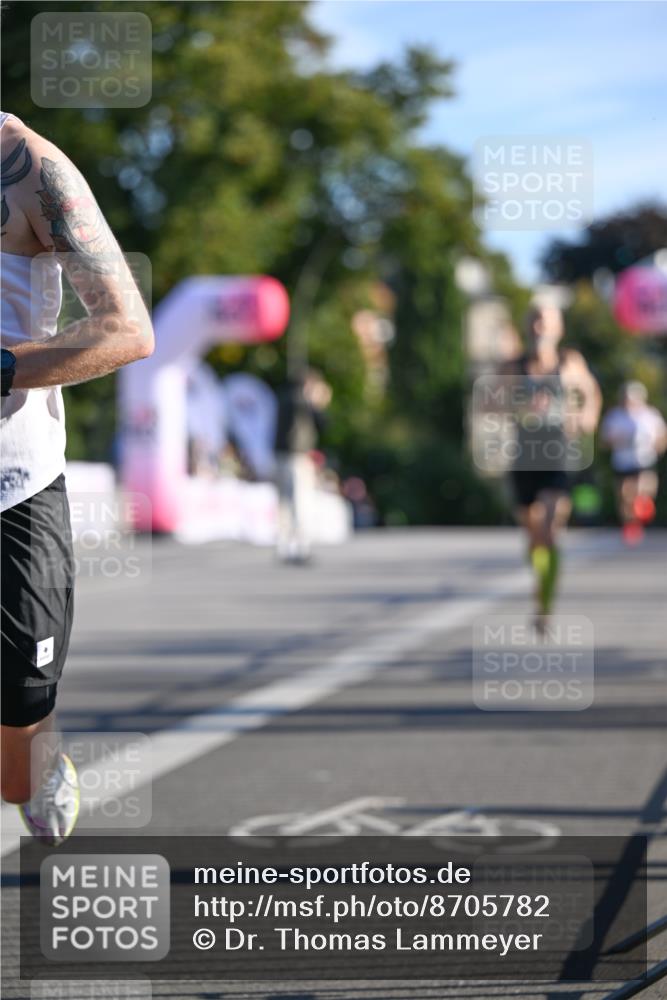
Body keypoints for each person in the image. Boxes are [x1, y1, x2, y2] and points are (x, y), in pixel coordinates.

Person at [1, 111, 154, 844]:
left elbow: (127, 328)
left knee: (16, 767)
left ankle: (40, 755)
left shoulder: (29, 166)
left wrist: (4, 367)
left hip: (13, 483)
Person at [500, 304, 601, 631]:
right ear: (529, 325)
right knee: (534, 538)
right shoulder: (513, 366)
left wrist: (587, 417)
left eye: (548, 319)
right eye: (536, 319)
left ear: (558, 327)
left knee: (549, 527)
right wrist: (522, 408)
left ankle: (543, 605)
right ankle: (540, 586)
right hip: (524, 457)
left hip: (559, 454)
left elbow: (591, 393)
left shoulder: (570, 362)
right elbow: (494, 405)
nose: (541, 325)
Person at [274, 368, 331, 563]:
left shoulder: (283, 398)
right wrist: (318, 402)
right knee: (300, 501)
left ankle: (284, 545)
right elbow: (323, 422)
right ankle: (300, 546)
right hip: (296, 457)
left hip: (281, 455)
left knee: (284, 502)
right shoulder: (301, 401)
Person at [600, 381, 667, 544]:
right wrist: (615, 440)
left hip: (644, 459)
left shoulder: (650, 415)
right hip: (622, 461)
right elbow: (604, 440)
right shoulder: (615, 416)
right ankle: (631, 524)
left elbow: (662, 435)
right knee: (625, 495)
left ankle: (642, 511)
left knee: (644, 490)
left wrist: (658, 447)